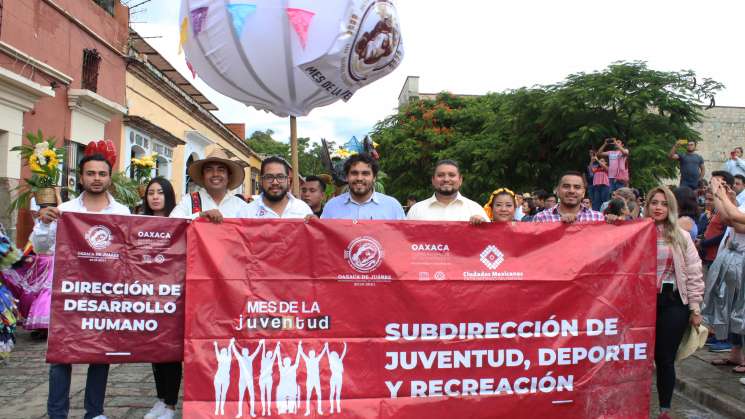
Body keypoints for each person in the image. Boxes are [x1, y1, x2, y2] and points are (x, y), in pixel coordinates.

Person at [34, 150, 131, 419]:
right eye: (91, 173)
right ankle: (56, 414)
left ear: (110, 178)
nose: (96, 179)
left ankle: (95, 412)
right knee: (61, 357)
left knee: (101, 355)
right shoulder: (64, 211)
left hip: (104, 295)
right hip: (68, 296)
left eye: (102, 174)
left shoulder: (122, 212)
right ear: (81, 177)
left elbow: (127, 254)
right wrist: (42, 224)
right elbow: (42, 247)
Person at [644, 186, 704, 419]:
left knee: (664, 358)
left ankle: (665, 410)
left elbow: (693, 272)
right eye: (654, 202)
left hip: (673, 302)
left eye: (664, 203)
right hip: (642, 304)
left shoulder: (682, 235)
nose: (658, 207)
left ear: (671, 207)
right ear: (647, 205)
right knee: (640, 357)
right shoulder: (634, 231)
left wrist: (695, 308)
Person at [140, 178, 181, 419]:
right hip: (147, 294)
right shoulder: (139, 222)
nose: (155, 197)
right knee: (154, 350)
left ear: (169, 195)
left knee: (170, 351)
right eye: (150, 193)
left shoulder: (180, 221)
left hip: (174, 295)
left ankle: (171, 405)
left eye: (160, 192)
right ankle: (160, 399)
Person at [703, 176, 745, 367]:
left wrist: (721, 195)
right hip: (734, 261)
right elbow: (728, 217)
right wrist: (724, 197)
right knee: (731, 309)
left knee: (741, 312)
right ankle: (736, 354)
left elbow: (735, 221)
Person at [170, 148, 250, 221]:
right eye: (209, 170)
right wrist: (200, 215)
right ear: (203, 176)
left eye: (221, 170)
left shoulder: (240, 205)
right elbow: (171, 224)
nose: (215, 174)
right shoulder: (189, 201)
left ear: (228, 176)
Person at [321, 153, 405, 220]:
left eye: (365, 173)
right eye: (354, 173)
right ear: (346, 177)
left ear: (374, 178)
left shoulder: (392, 206)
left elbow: (402, 238)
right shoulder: (331, 207)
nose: (359, 178)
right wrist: (312, 223)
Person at [406, 159, 489, 223]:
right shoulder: (416, 210)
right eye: (440, 175)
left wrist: (483, 227)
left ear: (460, 180)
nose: (446, 179)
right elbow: (406, 242)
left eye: (452, 175)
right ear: (433, 180)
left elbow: (488, 240)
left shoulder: (475, 209)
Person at [245, 156, 313, 219]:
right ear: (261, 181)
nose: (275, 182)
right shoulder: (247, 213)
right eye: (269, 177)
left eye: (280, 177)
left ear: (288, 181)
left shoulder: (303, 209)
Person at [533, 172, 605, 223]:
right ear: (557, 190)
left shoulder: (598, 218)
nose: (571, 191)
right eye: (566, 186)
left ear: (583, 193)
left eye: (577, 187)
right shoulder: (541, 218)